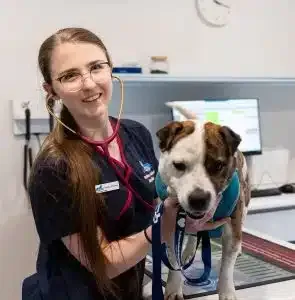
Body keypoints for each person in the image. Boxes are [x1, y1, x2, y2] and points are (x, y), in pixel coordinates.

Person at [22, 27, 179, 300]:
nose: (89, 83)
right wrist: (161, 231)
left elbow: (158, 204)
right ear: (52, 91)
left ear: (110, 69)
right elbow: (103, 264)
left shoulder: (136, 134)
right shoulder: (53, 169)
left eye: (96, 67)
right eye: (70, 75)